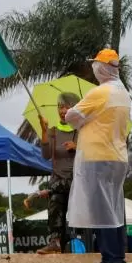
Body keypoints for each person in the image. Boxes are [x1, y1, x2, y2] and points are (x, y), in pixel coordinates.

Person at [64, 48, 131, 263]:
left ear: (101, 68)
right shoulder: (123, 93)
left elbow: (70, 117)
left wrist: (76, 115)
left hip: (97, 158)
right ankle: (117, 257)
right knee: (113, 209)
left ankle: (111, 260)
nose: (94, 69)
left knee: (102, 211)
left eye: (96, 65)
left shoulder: (100, 92)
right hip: (118, 157)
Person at [36, 92, 80, 254]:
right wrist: (44, 130)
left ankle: (47, 191)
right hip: (58, 182)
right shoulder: (53, 131)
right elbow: (46, 155)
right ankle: (55, 242)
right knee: (55, 199)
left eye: (67, 107)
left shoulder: (82, 131)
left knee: (56, 192)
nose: (63, 111)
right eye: (60, 107)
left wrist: (78, 147)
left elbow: (92, 153)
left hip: (77, 182)